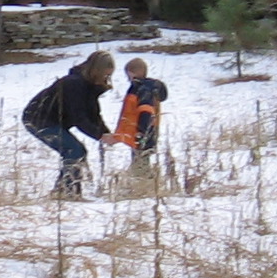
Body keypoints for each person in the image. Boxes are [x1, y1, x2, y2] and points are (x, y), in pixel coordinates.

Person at [21, 50, 118, 198]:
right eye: (105, 75)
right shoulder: (74, 84)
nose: (106, 79)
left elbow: (93, 115)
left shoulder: (88, 86)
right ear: (96, 71)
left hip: (52, 121)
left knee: (74, 151)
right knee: (74, 150)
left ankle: (63, 191)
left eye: (108, 76)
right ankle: (68, 192)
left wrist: (106, 133)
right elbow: (79, 117)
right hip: (37, 120)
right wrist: (100, 135)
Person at [114, 57, 168, 158]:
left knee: (140, 162)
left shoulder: (143, 90)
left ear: (134, 73)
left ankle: (143, 174)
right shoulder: (144, 88)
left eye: (128, 75)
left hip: (143, 134)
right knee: (140, 160)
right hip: (144, 133)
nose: (128, 78)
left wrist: (141, 131)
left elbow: (146, 110)